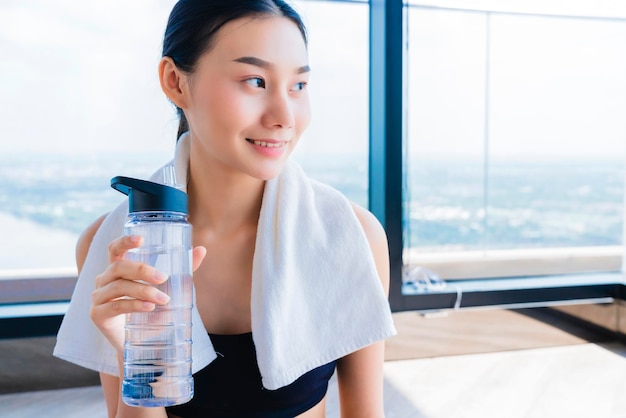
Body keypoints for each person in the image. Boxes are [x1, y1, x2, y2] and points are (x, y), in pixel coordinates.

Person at [54, 1, 396, 417]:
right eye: (255, 80)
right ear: (176, 82)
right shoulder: (114, 245)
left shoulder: (349, 234)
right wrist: (136, 355)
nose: (284, 117)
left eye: (298, 86)